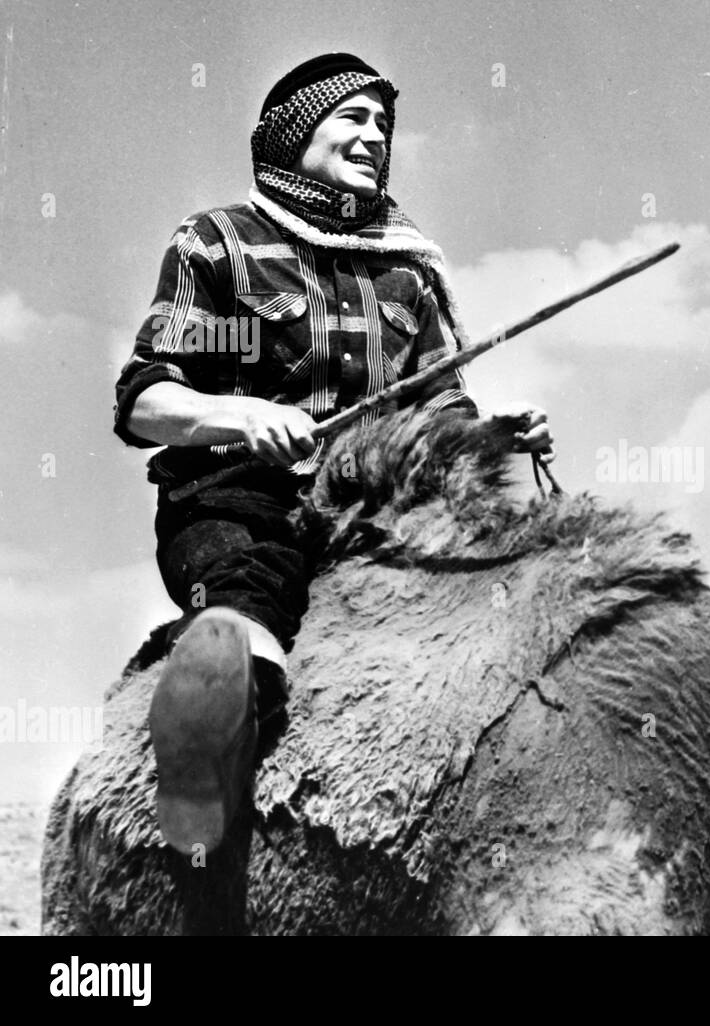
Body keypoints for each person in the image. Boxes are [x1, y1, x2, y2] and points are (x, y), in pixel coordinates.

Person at [113, 53, 554, 855]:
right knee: (248, 602)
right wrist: (242, 417)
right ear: (293, 132)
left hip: (374, 515)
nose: (374, 135)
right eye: (352, 117)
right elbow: (146, 404)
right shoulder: (216, 242)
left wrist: (494, 436)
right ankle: (200, 782)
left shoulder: (408, 275)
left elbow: (442, 413)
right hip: (238, 502)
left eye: (383, 125)